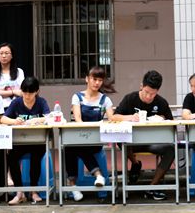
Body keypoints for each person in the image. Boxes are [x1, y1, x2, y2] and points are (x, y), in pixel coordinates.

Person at [111, 70, 175, 201]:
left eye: (153, 94)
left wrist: (162, 119)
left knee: (170, 150)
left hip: (153, 143)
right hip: (132, 142)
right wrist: (130, 117)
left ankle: (152, 187)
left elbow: (172, 123)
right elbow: (114, 117)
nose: (149, 97)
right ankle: (135, 164)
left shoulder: (161, 103)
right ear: (141, 86)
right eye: (146, 92)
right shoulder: (130, 99)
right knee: (121, 140)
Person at [67, 66, 115, 202]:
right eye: (94, 79)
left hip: (96, 140)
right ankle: (98, 175)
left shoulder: (105, 100)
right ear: (87, 79)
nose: (97, 83)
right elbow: (78, 119)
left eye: (100, 80)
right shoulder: (77, 97)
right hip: (80, 136)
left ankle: (73, 186)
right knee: (70, 147)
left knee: (74, 147)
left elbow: (111, 118)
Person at [0, 76, 50, 205]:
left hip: (37, 142)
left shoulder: (41, 102)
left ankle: (33, 191)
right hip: (20, 142)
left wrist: (37, 120)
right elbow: (3, 119)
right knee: (11, 157)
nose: (27, 96)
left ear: (37, 91)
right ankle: (19, 192)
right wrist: (14, 121)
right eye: (25, 92)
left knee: (36, 158)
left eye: (30, 93)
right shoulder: (16, 102)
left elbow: (49, 117)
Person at [0, 42, 25, 110]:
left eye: (6, 53)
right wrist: (14, 92)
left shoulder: (19, 71)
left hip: (17, 107)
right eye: (1, 53)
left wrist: (1, 92)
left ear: (12, 55)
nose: (4, 56)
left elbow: (21, 91)